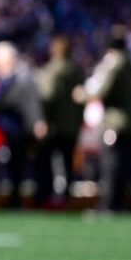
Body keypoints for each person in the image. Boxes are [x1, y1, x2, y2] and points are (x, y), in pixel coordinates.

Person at [0, 41, 43, 209]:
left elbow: (4, 100)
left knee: (16, 167)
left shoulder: (18, 77)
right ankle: (16, 199)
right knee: (16, 167)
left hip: (17, 129)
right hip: (16, 128)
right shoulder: (21, 76)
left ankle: (16, 201)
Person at [84, 31, 131, 214]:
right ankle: (119, 203)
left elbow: (102, 90)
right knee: (122, 165)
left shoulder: (115, 65)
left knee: (110, 165)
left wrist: (83, 95)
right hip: (128, 123)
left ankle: (109, 204)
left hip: (114, 123)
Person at [36, 36, 84, 209]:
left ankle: (48, 197)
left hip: (55, 126)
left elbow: (47, 96)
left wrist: (43, 119)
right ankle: (66, 198)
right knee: (67, 163)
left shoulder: (51, 71)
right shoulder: (76, 71)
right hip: (71, 126)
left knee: (47, 163)